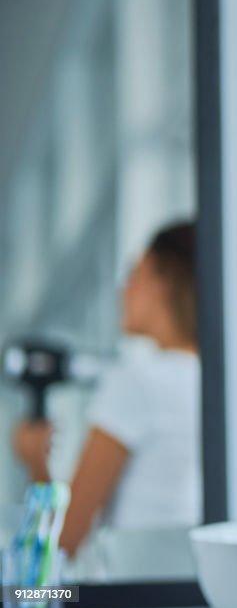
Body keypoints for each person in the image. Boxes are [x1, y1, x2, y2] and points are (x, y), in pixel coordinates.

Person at [13, 220, 201, 560]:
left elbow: (63, 544)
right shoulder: (208, 382)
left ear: (162, 282)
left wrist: (35, 462)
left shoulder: (136, 383)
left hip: (132, 597)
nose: (122, 288)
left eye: (134, 272)